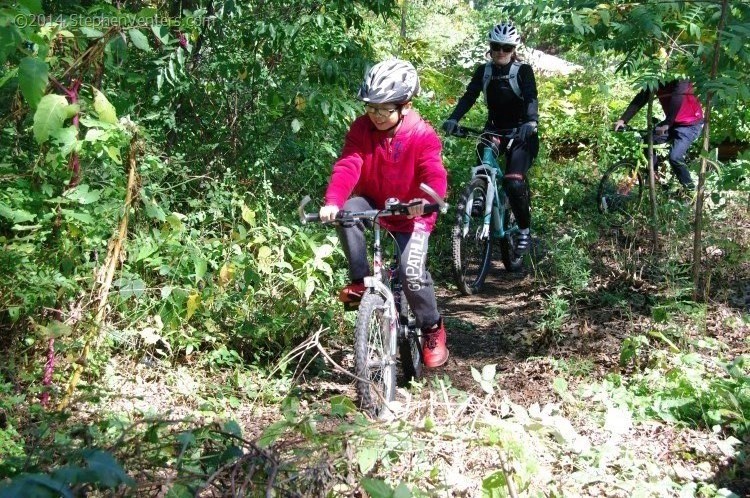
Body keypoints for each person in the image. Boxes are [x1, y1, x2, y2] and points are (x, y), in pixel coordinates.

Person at [318, 59, 449, 368]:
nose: (375, 115)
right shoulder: (362, 129)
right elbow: (349, 164)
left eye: (384, 109)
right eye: (371, 107)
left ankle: (432, 328)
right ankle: (361, 282)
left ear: (405, 106)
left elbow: (434, 174)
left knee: (412, 275)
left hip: (413, 213)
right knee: (348, 213)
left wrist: (427, 199)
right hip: (374, 202)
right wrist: (333, 201)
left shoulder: (422, 135)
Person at [442, 21, 539, 256]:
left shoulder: (523, 71)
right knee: (482, 169)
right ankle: (480, 195)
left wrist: (530, 121)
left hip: (520, 132)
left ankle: (524, 229)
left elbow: (530, 96)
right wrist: (454, 118)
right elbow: (469, 96)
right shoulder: (484, 71)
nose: (500, 52)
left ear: (514, 49)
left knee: (514, 181)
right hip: (494, 130)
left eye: (506, 48)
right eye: (496, 46)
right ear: (490, 46)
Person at [614, 79, 704, 190]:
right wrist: (623, 120)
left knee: (675, 157)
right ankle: (653, 174)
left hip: (690, 125)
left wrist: (667, 124)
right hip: (672, 123)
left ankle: (690, 189)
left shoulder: (681, 79)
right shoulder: (656, 80)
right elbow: (641, 98)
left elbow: (677, 97)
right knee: (648, 140)